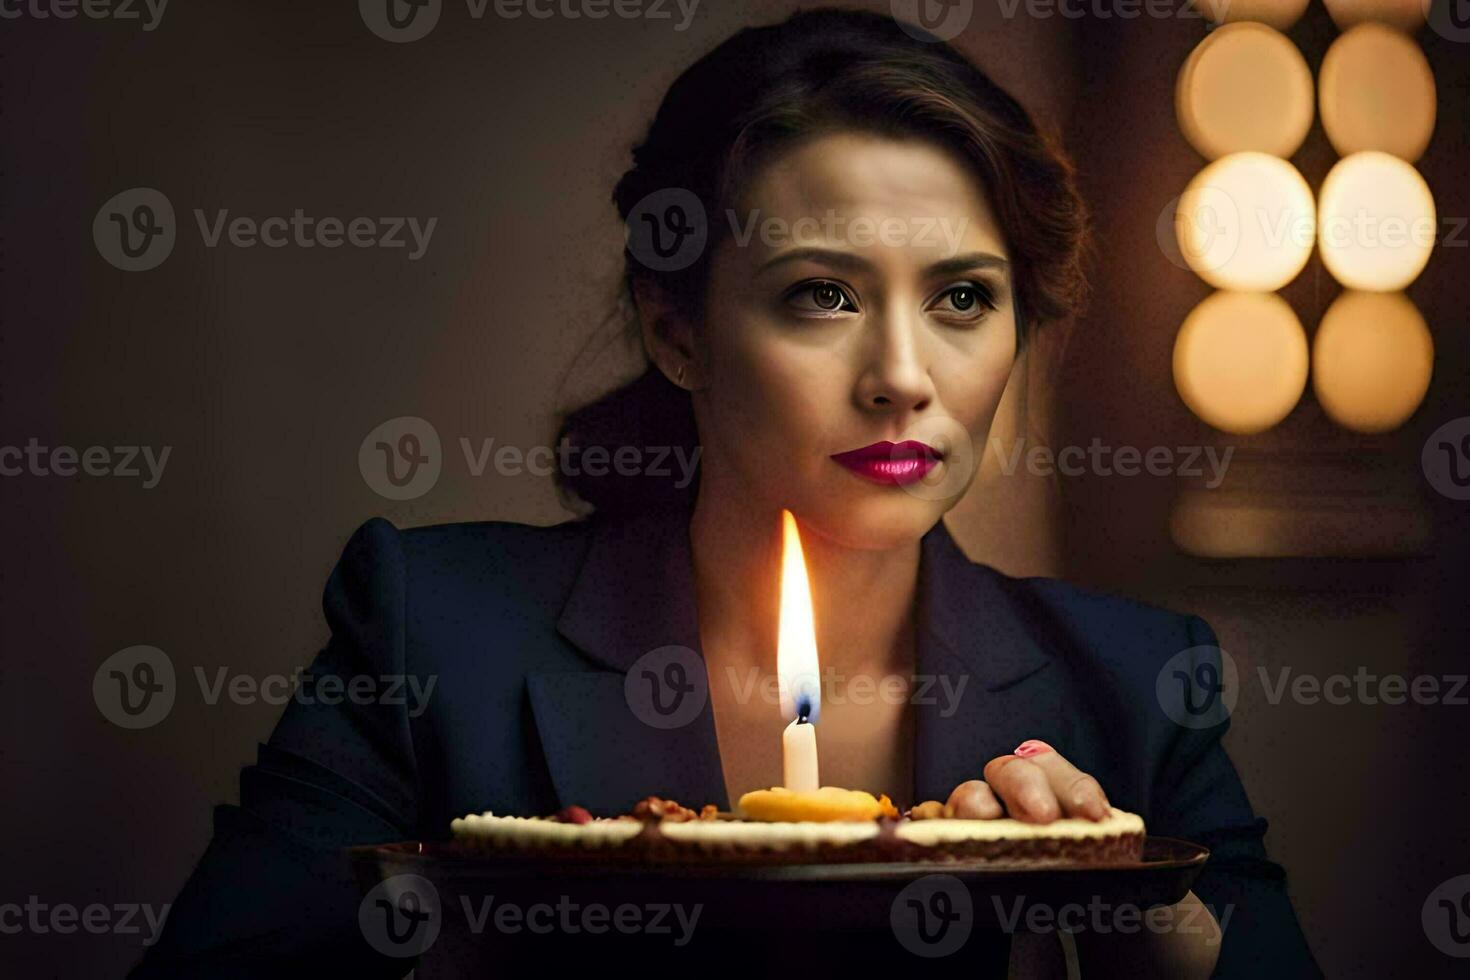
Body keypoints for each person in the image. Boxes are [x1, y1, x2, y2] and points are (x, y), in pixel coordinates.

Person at [131, 8, 1320, 976]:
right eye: (823, 294)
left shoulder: (1135, 686)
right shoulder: (430, 629)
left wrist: (1160, 952)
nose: (904, 377)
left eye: (962, 297)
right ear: (678, 330)